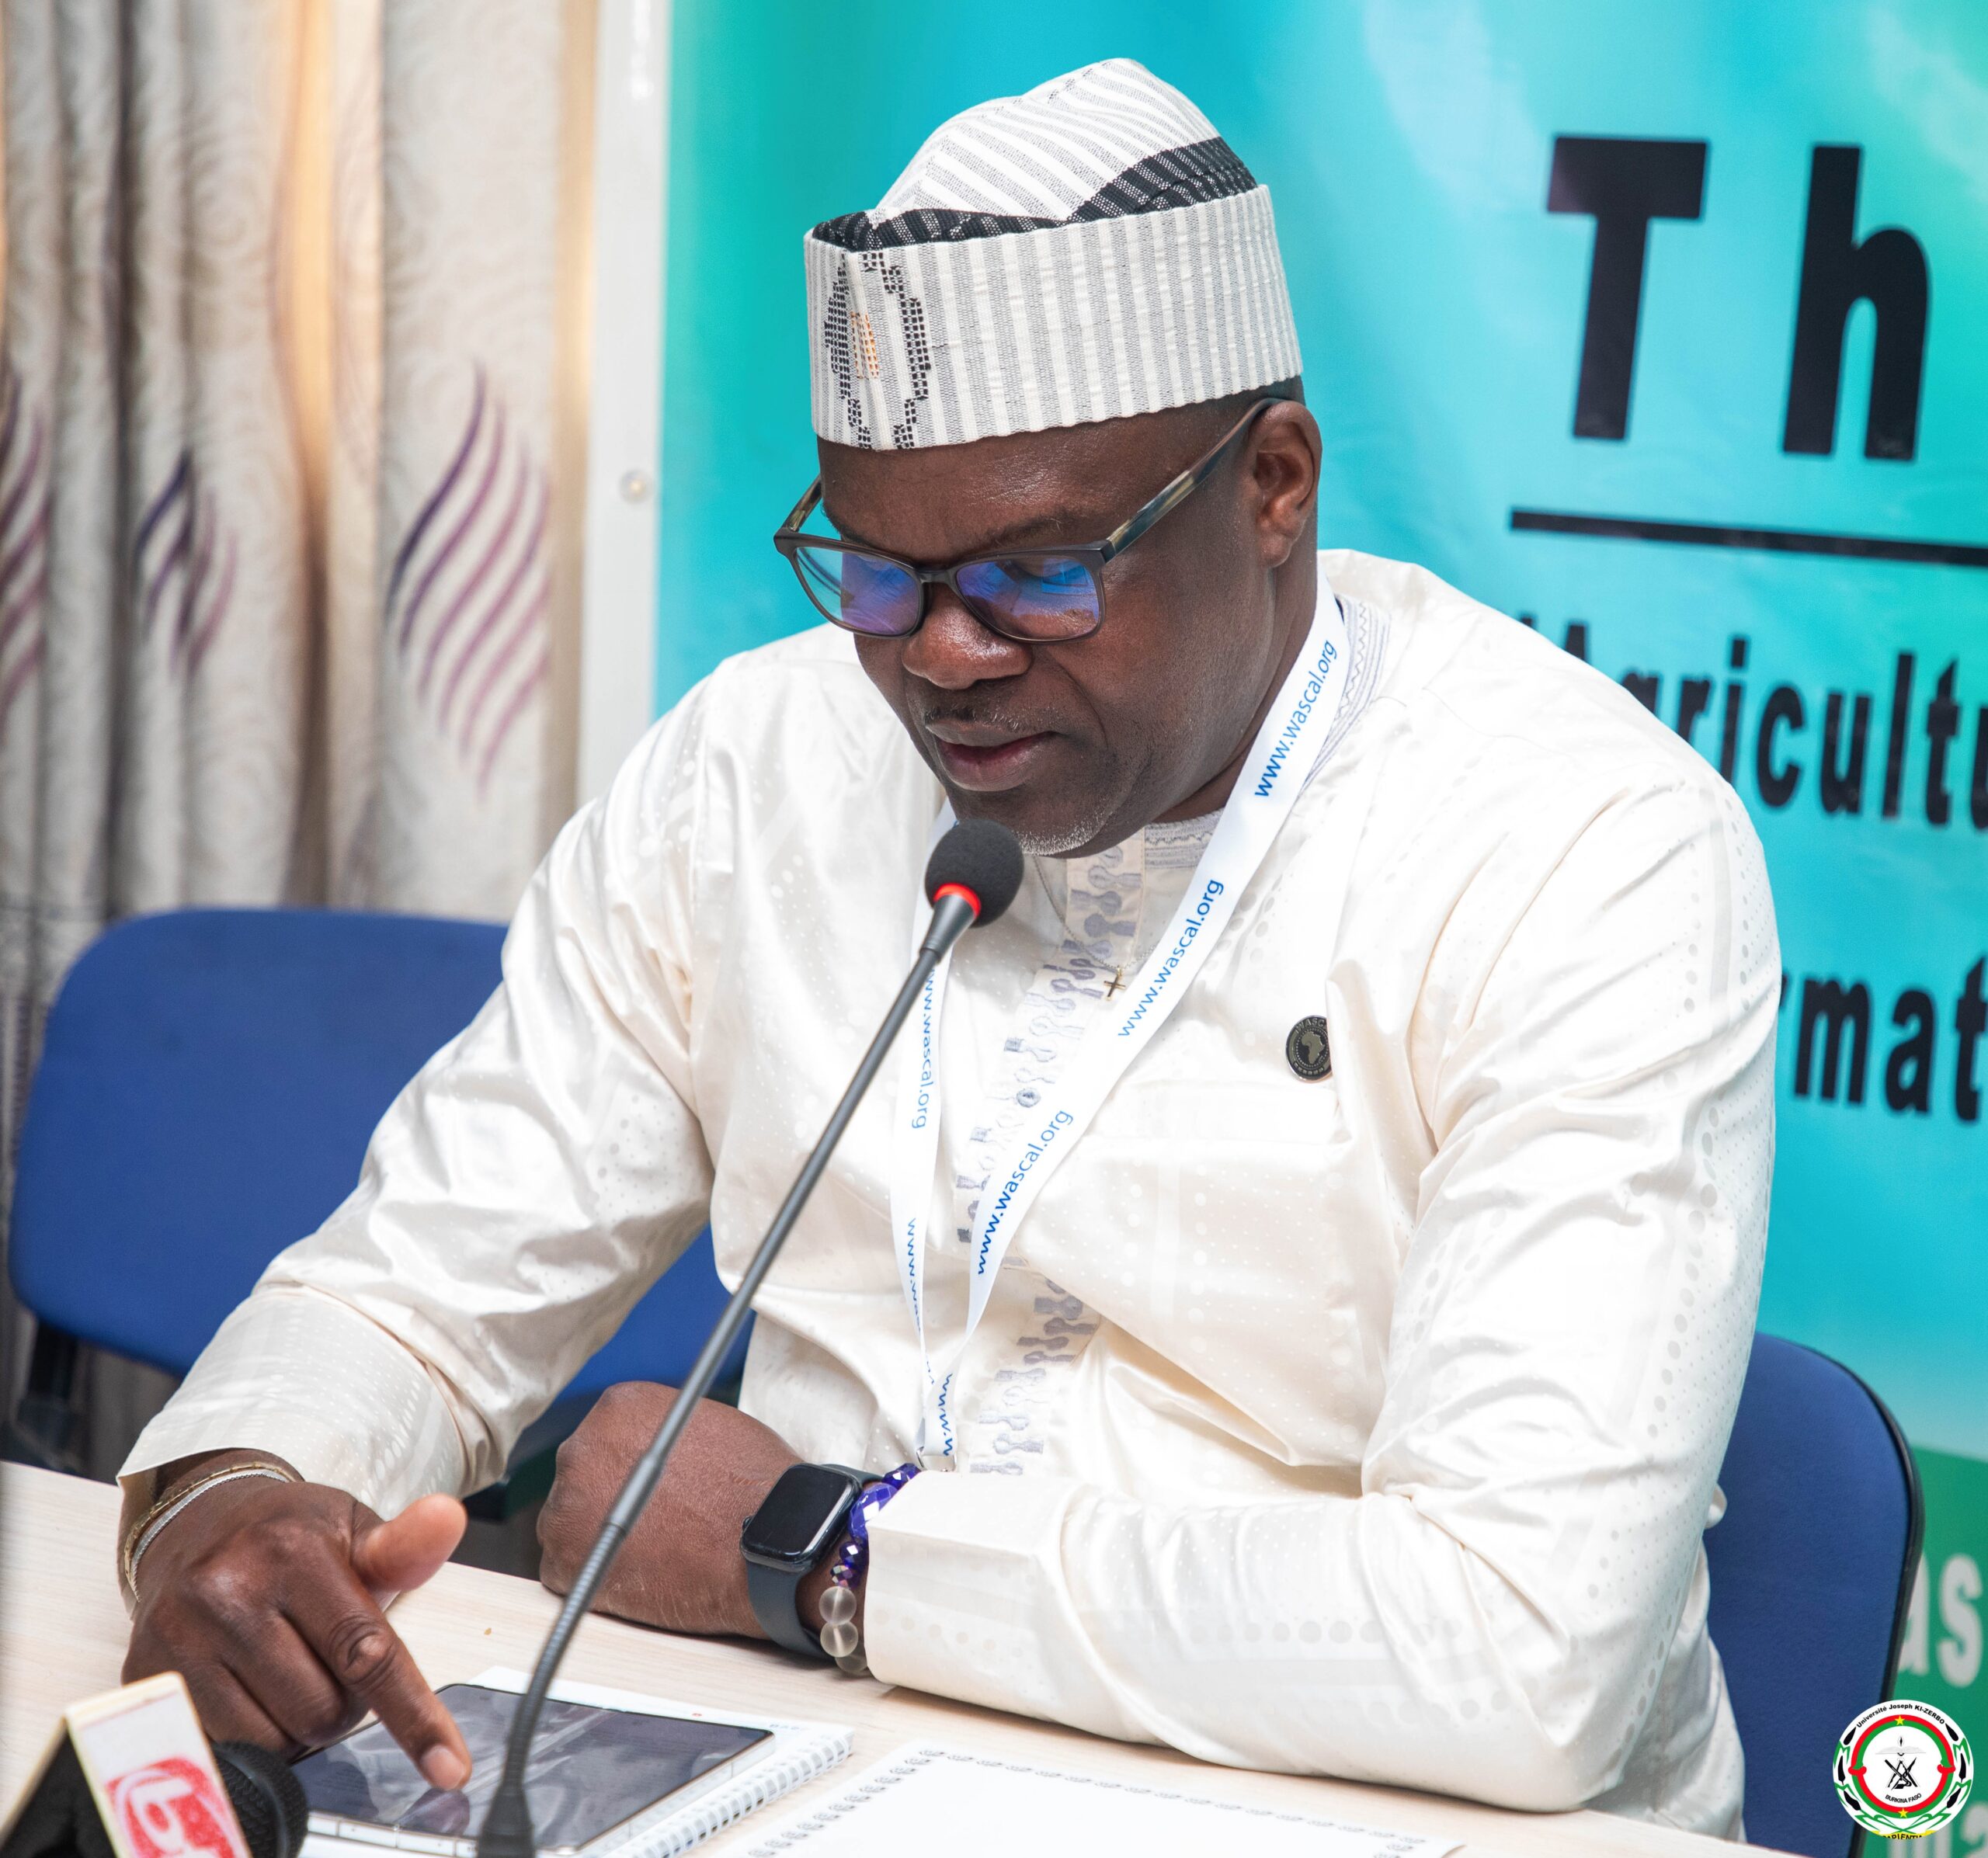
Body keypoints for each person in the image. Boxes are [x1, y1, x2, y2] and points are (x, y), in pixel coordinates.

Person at [117, 60, 1777, 1837]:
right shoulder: (755, 765)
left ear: (1272, 486)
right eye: (875, 571)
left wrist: (820, 1554)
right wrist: (236, 1491)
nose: (940, 658)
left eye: (1036, 573)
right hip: (814, 1765)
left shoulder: (1583, 850)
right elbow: (412, 1289)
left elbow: (1516, 1651)